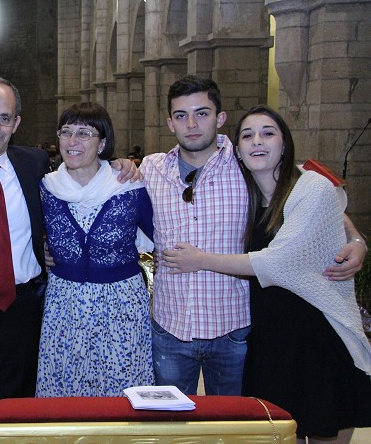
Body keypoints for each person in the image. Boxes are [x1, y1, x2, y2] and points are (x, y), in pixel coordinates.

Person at [139, 75, 366, 396]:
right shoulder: (151, 169)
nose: (191, 124)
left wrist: (356, 240)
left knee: (238, 421)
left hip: (234, 329)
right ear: (169, 123)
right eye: (181, 115)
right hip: (170, 326)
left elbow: (312, 197)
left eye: (202, 113)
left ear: (220, 118)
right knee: (171, 420)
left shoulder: (246, 162)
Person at [0, 75, 138, 399]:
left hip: (21, 309)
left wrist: (118, 165)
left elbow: (82, 176)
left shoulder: (34, 164)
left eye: (4, 118)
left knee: (18, 406)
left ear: (16, 123)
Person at [35, 102, 155, 397]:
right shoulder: (46, 188)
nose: (72, 141)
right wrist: (42, 250)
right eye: (66, 132)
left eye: (84, 133)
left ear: (102, 143)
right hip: (65, 306)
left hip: (122, 306)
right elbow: (24, 232)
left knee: (122, 390)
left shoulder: (129, 187)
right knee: (66, 391)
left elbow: (160, 238)